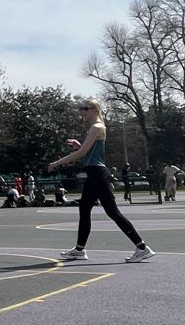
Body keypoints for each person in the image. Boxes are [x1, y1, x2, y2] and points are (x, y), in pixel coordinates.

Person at [49, 101, 154, 262]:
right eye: (81, 108)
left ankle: (142, 247)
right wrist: (79, 146)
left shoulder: (96, 127)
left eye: (85, 108)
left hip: (98, 174)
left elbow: (82, 153)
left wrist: (57, 163)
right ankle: (79, 250)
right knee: (84, 209)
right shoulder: (95, 128)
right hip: (93, 174)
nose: (82, 112)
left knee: (113, 212)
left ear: (95, 110)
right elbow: (88, 152)